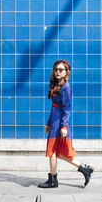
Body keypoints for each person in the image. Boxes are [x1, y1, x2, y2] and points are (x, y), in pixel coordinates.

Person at [38, 60, 94, 188]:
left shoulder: (66, 87)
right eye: (56, 69)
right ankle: (84, 168)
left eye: (61, 70)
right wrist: (48, 123)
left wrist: (63, 126)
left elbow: (67, 108)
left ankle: (53, 180)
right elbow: (55, 107)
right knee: (58, 153)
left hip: (59, 124)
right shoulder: (57, 85)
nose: (58, 72)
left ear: (66, 72)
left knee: (52, 152)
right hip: (54, 122)